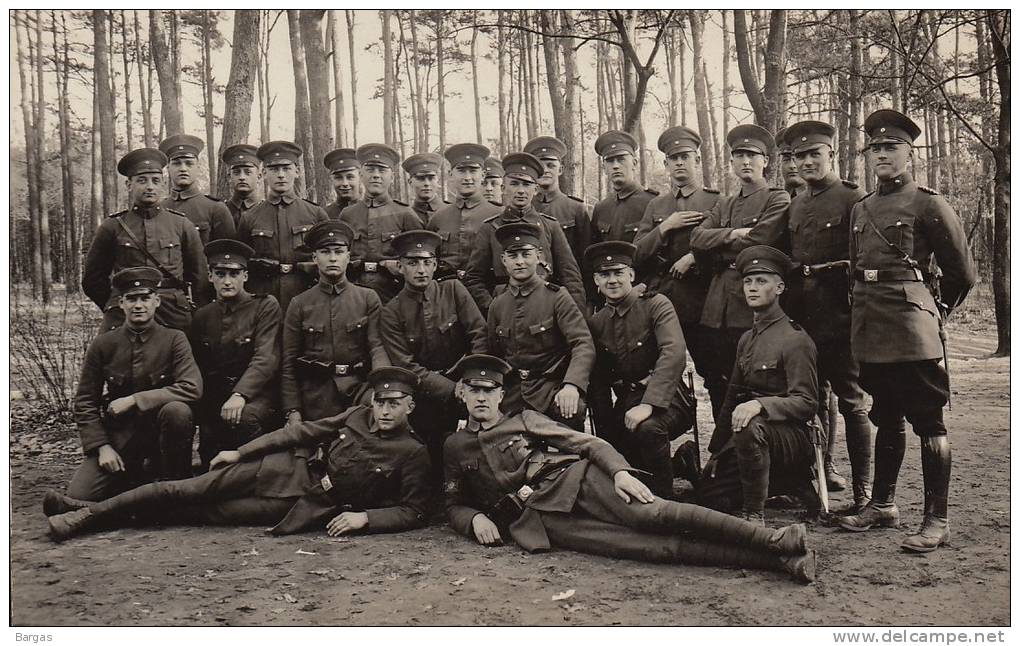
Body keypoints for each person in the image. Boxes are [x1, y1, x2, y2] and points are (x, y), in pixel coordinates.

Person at [442, 354, 816, 584]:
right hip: (543, 521)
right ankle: (780, 561)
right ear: (461, 394)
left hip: (575, 481)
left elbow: (588, 443)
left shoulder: (524, 419)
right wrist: (473, 519)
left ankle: (773, 539)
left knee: (654, 515)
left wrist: (620, 473)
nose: (480, 398)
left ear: (499, 395)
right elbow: (453, 502)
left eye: (488, 391)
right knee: (649, 548)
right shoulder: (454, 446)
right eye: (472, 391)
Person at [45, 367, 431, 542]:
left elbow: (413, 510)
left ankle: (91, 512)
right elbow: (298, 432)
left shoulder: (413, 452)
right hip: (280, 469)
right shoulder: (357, 415)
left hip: (304, 505)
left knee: (200, 514)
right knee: (184, 490)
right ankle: (84, 514)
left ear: (410, 407)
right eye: (380, 401)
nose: (383, 411)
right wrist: (239, 452)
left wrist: (365, 518)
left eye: (394, 404)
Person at [839, 109, 975, 553]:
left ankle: (937, 519)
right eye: (875, 148)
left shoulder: (928, 203)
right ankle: (882, 505)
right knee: (885, 414)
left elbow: (962, 274)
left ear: (909, 153)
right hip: (871, 326)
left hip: (912, 328)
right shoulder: (861, 208)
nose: (881, 154)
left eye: (890, 147)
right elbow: (857, 269)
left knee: (929, 421)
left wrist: (932, 315)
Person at [781, 120, 873, 513]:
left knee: (852, 401)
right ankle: (823, 474)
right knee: (814, 400)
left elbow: (867, 257)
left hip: (842, 313)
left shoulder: (854, 199)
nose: (806, 162)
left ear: (831, 154)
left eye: (813, 154)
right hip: (806, 316)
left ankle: (864, 493)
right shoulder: (796, 203)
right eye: (799, 156)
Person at [696, 246, 818, 523]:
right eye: (748, 281)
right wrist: (716, 451)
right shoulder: (747, 339)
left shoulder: (795, 339)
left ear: (779, 288)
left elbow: (807, 402)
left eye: (761, 281)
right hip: (753, 436)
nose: (752, 288)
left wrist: (759, 404)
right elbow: (731, 397)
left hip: (791, 438)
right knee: (710, 496)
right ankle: (783, 485)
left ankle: (755, 513)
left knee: (750, 427)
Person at [61, 267, 202, 502]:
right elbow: (85, 401)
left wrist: (135, 400)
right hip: (121, 434)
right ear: (121, 303)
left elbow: (191, 387)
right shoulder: (104, 344)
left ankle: (174, 479)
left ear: (157, 301)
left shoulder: (174, 339)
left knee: (178, 410)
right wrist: (101, 447)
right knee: (79, 496)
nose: (139, 306)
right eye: (132, 299)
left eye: (145, 298)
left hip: (160, 431)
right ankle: (135, 476)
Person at [690, 124, 791, 421]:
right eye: (739, 156)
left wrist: (719, 242)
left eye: (753, 155)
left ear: (765, 162)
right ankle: (725, 457)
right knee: (719, 382)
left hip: (751, 306)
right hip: (716, 307)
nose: (746, 162)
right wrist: (733, 233)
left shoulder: (777, 198)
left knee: (755, 383)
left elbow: (761, 240)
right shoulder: (725, 203)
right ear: (731, 162)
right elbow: (696, 238)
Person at [380, 230, 488, 487]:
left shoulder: (453, 291)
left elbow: (479, 334)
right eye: (413, 263)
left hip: (467, 384)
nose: (421, 270)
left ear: (435, 264)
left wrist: (469, 381)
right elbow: (405, 364)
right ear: (400, 266)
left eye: (427, 262)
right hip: (424, 393)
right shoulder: (392, 311)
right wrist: (452, 389)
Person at [585, 241, 692, 498]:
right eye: (604, 274)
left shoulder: (656, 305)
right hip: (627, 402)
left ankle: (664, 504)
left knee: (648, 429)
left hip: (670, 399)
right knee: (623, 455)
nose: (612, 280)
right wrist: (606, 432)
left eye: (618, 272)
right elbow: (598, 380)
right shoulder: (597, 323)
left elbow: (673, 352)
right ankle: (682, 464)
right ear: (596, 281)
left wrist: (649, 404)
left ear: (631, 275)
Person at [633, 126, 720, 415]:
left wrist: (695, 256)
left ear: (697, 159)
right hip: (663, 304)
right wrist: (664, 227)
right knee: (658, 375)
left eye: (685, 156)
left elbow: (729, 245)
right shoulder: (656, 205)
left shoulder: (715, 201)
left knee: (715, 375)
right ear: (666, 164)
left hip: (703, 303)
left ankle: (723, 453)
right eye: (673, 158)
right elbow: (637, 254)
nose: (679, 163)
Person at [82, 148, 206, 333]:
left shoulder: (181, 225)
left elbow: (199, 277)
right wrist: (117, 304)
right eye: (142, 181)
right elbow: (92, 279)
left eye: (155, 181)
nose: (150, 187)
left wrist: (187, 308)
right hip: (125, 312)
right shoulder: (113, 226)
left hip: (173, 312)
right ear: (128, 185)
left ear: (163, 184)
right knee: (111, 356)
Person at [486, 222, 594, 432]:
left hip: (550, 388)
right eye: (513, 256)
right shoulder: (498, 305)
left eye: (526, 254)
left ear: (538, 256)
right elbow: (493, 355)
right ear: (503, 260)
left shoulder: (557, 296)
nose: (520, 262)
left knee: (572, 411)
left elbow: (582, 344)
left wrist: (571, 385)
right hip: (512, 393)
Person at [281, 220, 390, 425]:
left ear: (348, 257)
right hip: (316, 396)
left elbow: (377, 347)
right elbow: (289, 361)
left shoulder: (367, 298)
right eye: (325, 252)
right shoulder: (299, 304)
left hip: (360, 391)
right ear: (315, 258)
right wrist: (293, 410)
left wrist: (379, 389)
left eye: (339, 252)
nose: (332, 258)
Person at [189, 239, 282, 471]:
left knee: (245, 421)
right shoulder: (203, 316)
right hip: (216, 397)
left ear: (246, 276)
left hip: (256, 395)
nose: (227, 281)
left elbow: (266, 357)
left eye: (234, 273)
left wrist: (241, 394)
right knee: (210, 455)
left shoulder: (265, 306)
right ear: (210, 277)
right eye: (220, 274)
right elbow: (198, 365)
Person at [464, 152, 586, 315]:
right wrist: (493, 307)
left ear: (535, 189)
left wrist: (574, 316)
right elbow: (474, 279)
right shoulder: (490, 228)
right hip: (504, 311)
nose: (521, 190)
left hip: (545, 309)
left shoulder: (550, 226)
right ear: (503, 188)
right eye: (514, 183)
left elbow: (571, 278)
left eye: (527, 184)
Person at [237, 140, 328, 313]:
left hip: (306, 295)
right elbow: (243, 265)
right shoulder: (249, 217)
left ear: (297, 171)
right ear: (263, 173)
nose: (280, 175)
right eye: (274, 169)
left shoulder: (315, 214)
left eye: (286, 168)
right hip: (264, 297)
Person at [340, 143, 423, 303]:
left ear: (391, 177)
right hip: (355, 292)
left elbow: (418, 259)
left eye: (382, 170)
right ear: (361, 174)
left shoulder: (405, 213)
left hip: (394, 293)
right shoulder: (348, 214)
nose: (376, 175)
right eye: (370, 170)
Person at [426, 143, 503, 281]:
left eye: (473, 170)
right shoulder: (438, 218)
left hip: (486, 291)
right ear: (450, 174)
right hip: (447, 292)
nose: (467, 177)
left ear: (483, 174)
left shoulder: (499, 215)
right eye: (461, 171)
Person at [524, 136, 590, 270]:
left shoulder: (576, 208)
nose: (545, 170)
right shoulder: (525, 207)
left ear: (560, 170)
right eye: (540, 166)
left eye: (551, 165)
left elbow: (586, 257)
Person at [159, 134, 237, 247]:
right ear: (168, 168)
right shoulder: (160, 209)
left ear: (198, 167)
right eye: (176, 163)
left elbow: (226, 256)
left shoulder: (215, 209)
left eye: (189, 163)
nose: (183, 169)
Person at [590, 130, 658, 246]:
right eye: (610, 161)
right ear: (604, 168)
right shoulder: (601, 208)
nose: (616, 166)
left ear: (634, 163)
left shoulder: (653, 202)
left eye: (621, 159)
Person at [221, 144, 262, 229]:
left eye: (248, 172)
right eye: (236, 173)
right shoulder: (220, 211)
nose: (242, 177)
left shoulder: (267, 211)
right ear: (229, 178)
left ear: (259, 177)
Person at [403, 152, 449, 227]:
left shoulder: (451, 212)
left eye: (431, 178)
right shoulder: (404, 216)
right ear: (410, 182)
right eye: (421, 179)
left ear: (438, 180)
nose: (427, 183)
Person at [323, 147, 362, 220]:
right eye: (338, 178)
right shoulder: (325, 215)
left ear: (360, 177)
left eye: (350, 177)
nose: (345, 183)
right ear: (332, 180)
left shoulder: (371, 211)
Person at [776, 127, 806, 196]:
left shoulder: (826, 199)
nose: (792, 166)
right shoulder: (775, 200)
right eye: (786, 159)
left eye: (798, 158)